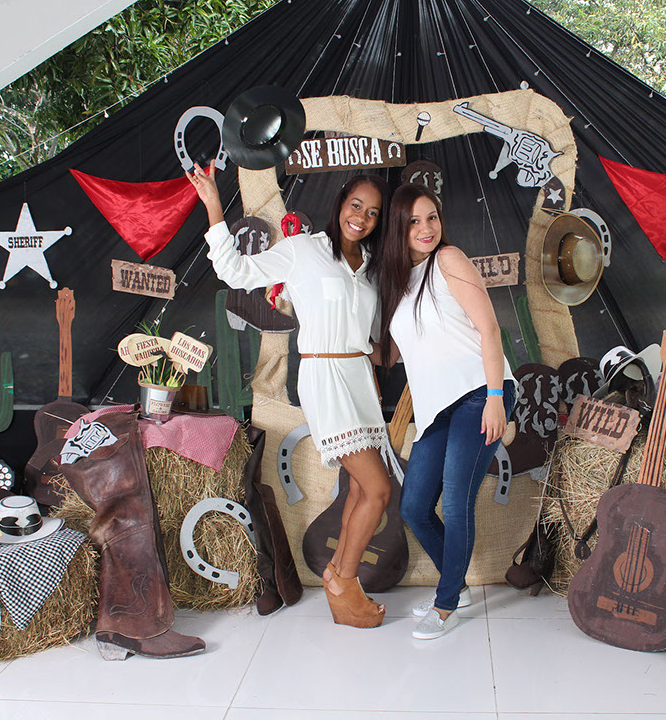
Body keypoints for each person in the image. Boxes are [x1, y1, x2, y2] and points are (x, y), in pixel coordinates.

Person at [189, 167, 392, 628]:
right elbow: (234, 271)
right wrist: (214, 205)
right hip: (325, 377)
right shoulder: (303, 250)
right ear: (340, 203)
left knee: (361, 487)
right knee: (379, 490)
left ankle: (338, 574)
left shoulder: (370, 265)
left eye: (373, 212)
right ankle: (344, 582)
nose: (361, 217)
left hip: (359, 378)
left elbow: (371, 337)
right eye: (356, 205)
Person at [376, 183, 515, 640]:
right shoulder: (397, 284)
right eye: (414, 221)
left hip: (479, 392)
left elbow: (489, 329)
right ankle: (456, 585)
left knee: (455, 503)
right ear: (398, 228)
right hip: (437, 408)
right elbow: (391, 355)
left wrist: (495, 397)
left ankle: (446, 603)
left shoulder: (449, 259)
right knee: (415, 507)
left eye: (431, 217)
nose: (426, 228)